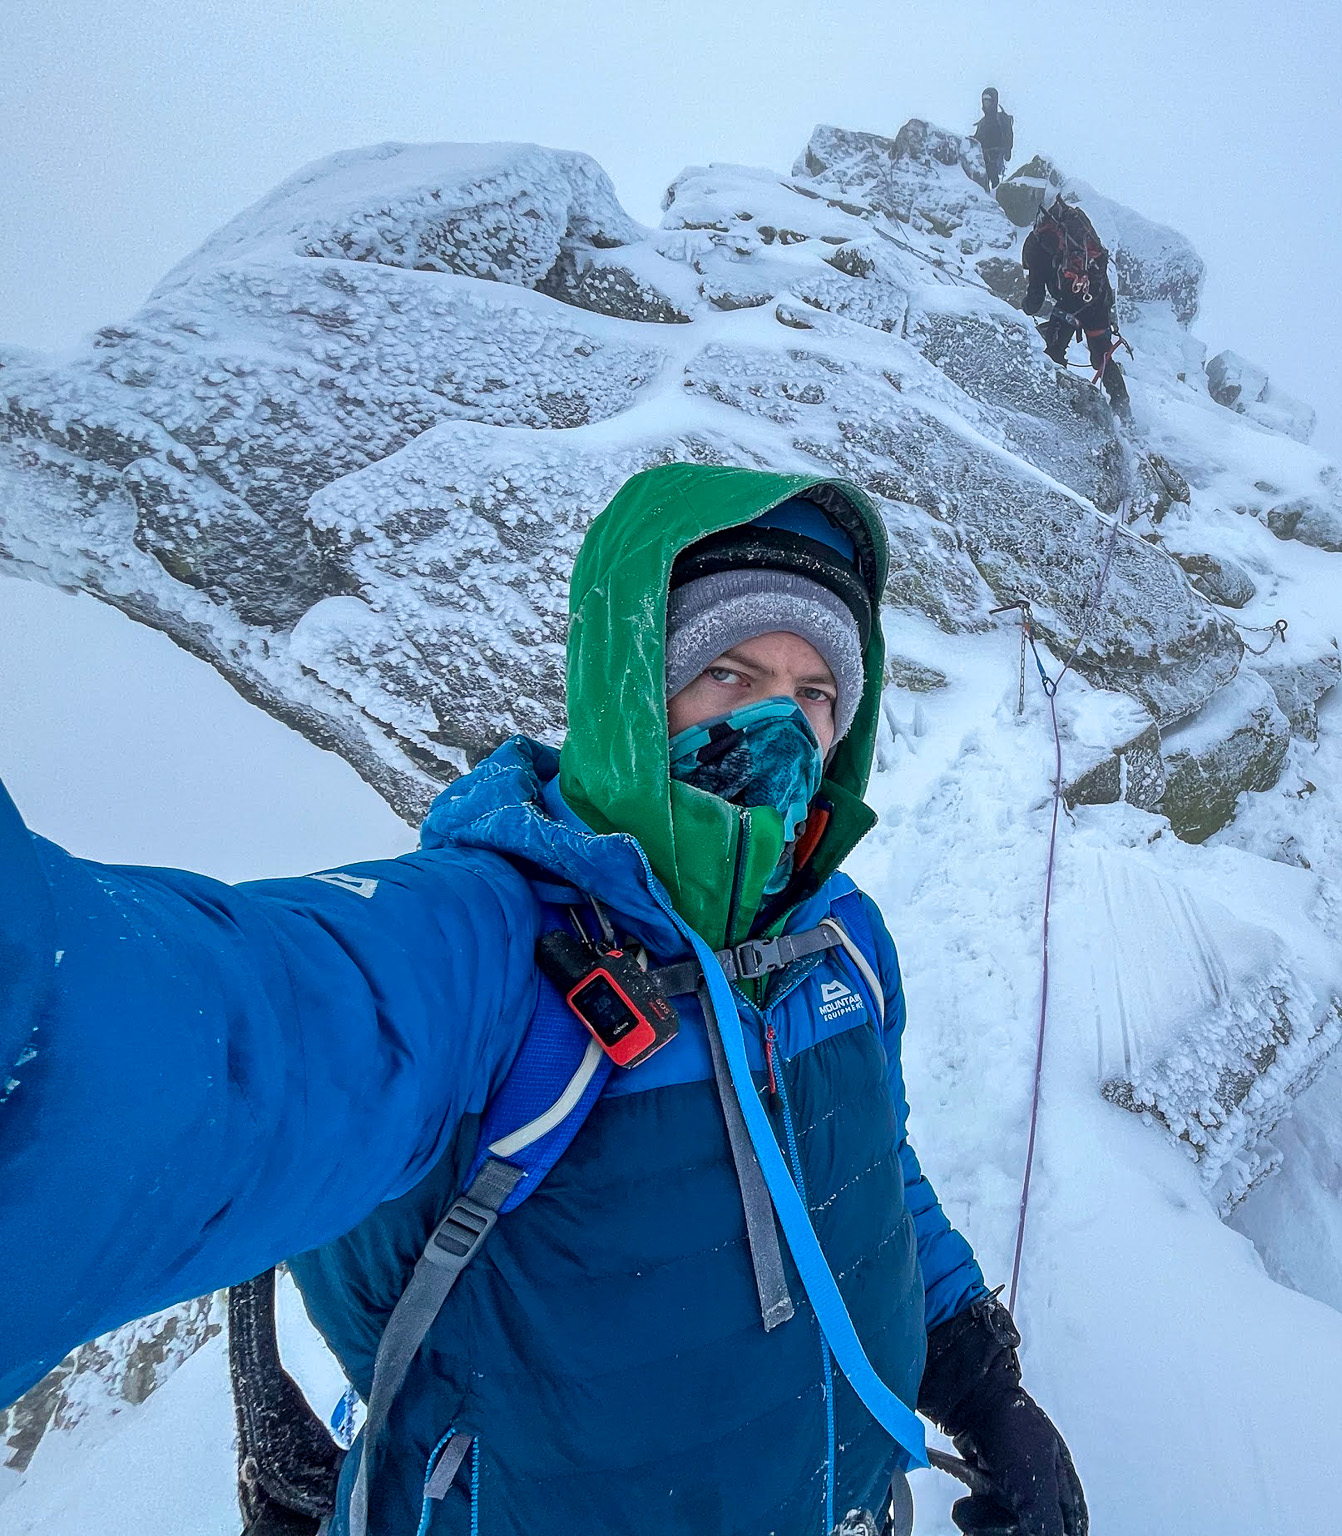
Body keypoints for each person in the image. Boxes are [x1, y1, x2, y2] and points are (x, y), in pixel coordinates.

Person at [0, 464, 1088, 1536]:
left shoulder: (838, 936)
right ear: (634, 688)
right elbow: (214, 1039)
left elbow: (868, 1165)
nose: (778, 732)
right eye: (729, 675)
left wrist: (975, 1374)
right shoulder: (484, 949)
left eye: (812, 695)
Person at [1019, 196, 1130, 417]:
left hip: (1070, 303)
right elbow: (1102, 279)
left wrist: (1024, 308)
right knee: (1102, 356)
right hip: (1096, 302)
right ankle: (1123, 408)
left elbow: (1035, 299)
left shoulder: (1038, 247)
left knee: (1054, 349)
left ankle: (1056, 404)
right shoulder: (1080, 238)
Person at [972, 86, 1014, 190]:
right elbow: (977, 139)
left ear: (994, 101)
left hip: (996, 155)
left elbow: (1009, 135)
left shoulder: (1002, 118)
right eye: (984, 100)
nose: (986, 103)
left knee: (993, 177)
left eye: (988, 100)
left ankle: (995, 197)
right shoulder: (982, 123)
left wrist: (1008, 150)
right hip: (983, 157)